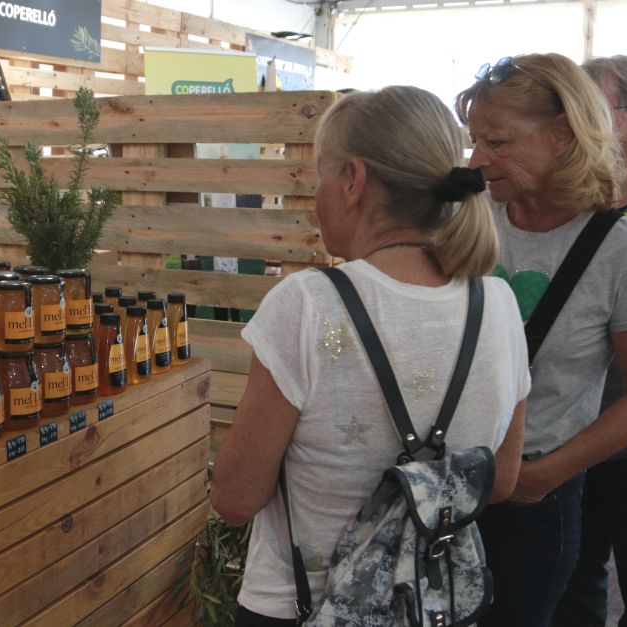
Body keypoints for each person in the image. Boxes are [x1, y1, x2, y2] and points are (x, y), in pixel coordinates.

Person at [211, 85, 529, 626]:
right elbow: (501, 480)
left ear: (353, 180)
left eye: (321, 175)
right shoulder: (496, 302)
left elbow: (235, 500)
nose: (317, 194)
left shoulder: (307, 304)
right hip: (432, 608)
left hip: (301, 607)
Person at [456, 53, 627, 627]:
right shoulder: (466, 216)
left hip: (533, 500)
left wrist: (543, 478)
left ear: (563, 135)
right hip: (445, 480)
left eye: (497, 142)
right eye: (475, 141)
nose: (477, 160)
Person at [553, 55, 627, 627]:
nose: (574, 125)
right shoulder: (565, 200)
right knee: (571, 585)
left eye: (592, 110)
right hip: (566, 430)